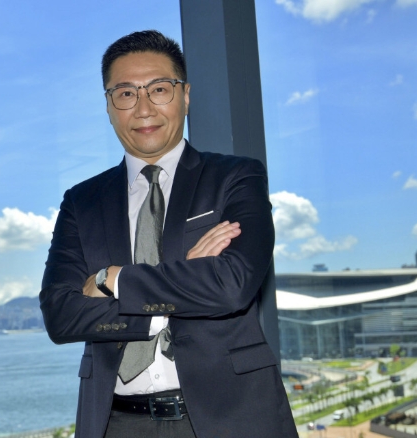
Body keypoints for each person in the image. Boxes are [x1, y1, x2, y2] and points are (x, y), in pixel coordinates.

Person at [40, 30, 297, 438]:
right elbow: (61, 315)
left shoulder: (236, 177)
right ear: (108, 106)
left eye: (159, 89)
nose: (143, 108)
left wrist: (113, 280)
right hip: (116, 423)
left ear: (185, 96)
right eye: (126, 93)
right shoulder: (81, 202)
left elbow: (232, 285)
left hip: (231, 418)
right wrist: (182, 284)